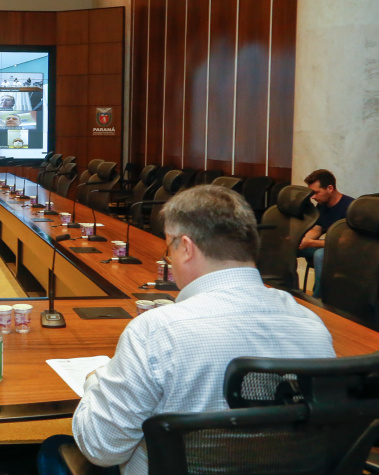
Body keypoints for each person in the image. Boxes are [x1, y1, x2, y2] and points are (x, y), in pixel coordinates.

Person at [38, 185, 335, 475]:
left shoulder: (156, 331)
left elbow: (101, 449)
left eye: (170, 248)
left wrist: (95, 382)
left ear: (187, 248)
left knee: (54, 449)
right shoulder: (311, 325)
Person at [298, 169, 354, 298]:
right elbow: (317, 229)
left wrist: (311, 243)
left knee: (319, 254)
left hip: (345, 251)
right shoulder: (322, 205)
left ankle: (318, 299)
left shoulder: (350, 207)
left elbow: (343, 243)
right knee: (292, 246)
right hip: (329, 246)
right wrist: (303, 240)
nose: (313, 197)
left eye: (316, 192)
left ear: (330, 188)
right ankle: (289, 290)